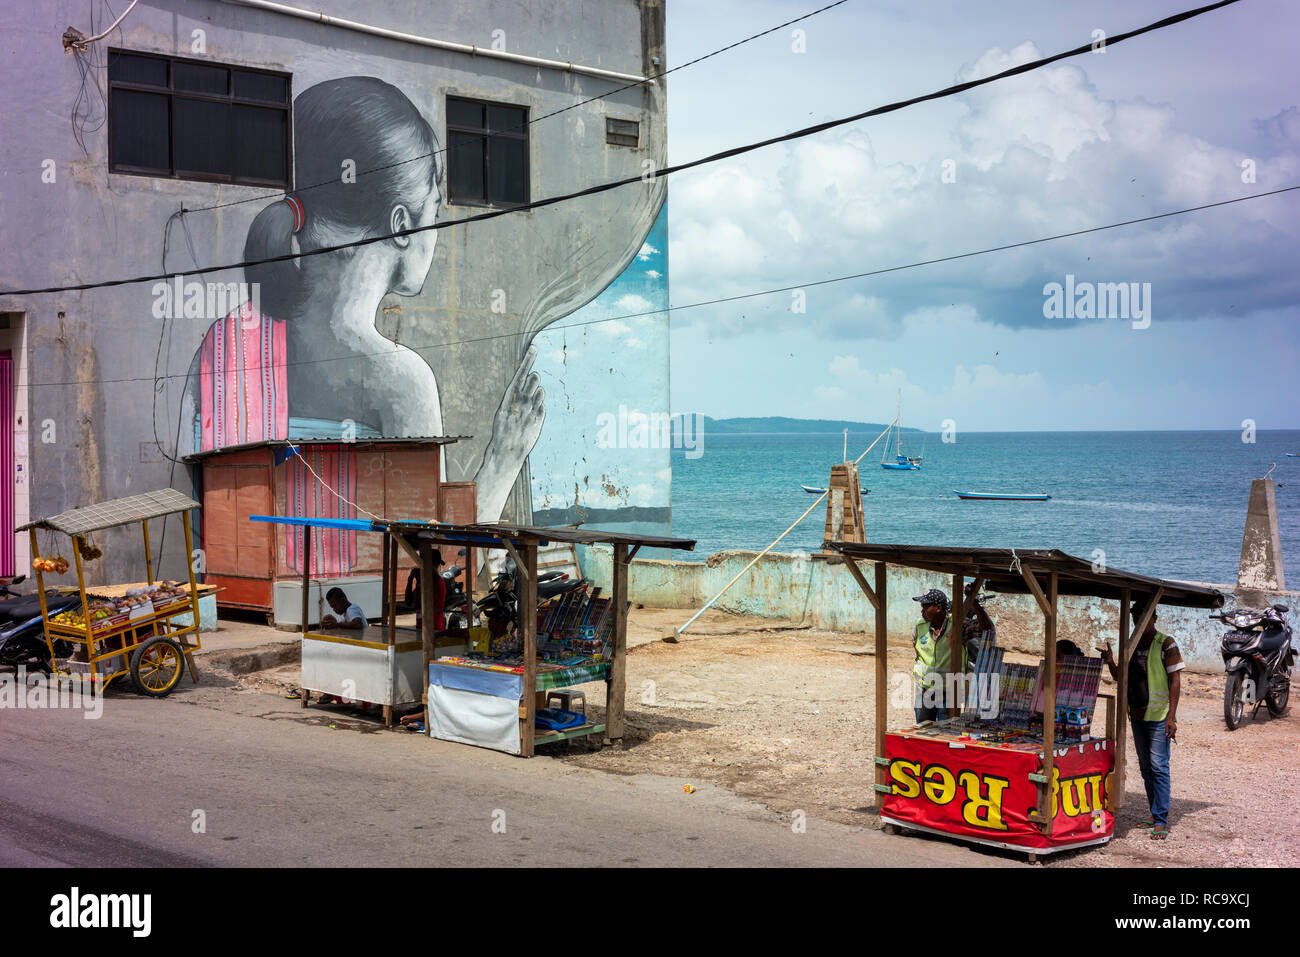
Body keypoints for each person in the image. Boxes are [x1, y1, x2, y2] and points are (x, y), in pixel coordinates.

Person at [1101, 600, 1184, 841]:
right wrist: (1110, 662)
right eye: (1136, 617)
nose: (1139, 621)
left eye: (1144, 617)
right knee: (1147, 767)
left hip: (1159, 717)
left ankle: (1160, 819)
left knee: (1158, 766)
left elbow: (1175, 680)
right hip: (1137, 715)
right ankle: (1154, 812)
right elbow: (1121, 677)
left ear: (1154, 619)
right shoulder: (1132, 644)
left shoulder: (1166, 644)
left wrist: (1171, 717)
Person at [912, 588, 963, 722]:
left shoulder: (957, 624)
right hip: (924, 688)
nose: (922, 610)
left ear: (938, 608)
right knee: (922, 731)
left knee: (945, 733)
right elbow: (916, 647)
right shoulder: (920, 625)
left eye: (926, 606)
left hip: (948, 690)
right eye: (922, 606)